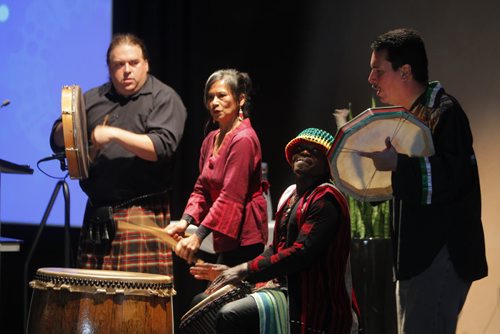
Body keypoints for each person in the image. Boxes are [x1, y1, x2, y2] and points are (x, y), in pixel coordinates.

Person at [361, 28, 487, 333]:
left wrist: (397, 165)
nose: (371, 79)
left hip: (440, 253)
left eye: (378, 70)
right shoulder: (408, 116)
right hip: (417, 256)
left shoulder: (445, 112)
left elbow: (450, 178)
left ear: (405, 71)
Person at [189, 128, 358, 333]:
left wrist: (245, 271)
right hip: (282, 288)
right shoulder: (291, 195)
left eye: (314, 151)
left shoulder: (327, 199)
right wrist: (238, 269)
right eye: (300, 148)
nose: (304, 153)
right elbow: (276, 247)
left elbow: (300, 252)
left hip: (311, 298)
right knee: (201, 301)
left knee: (230, 315)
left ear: (328, 163)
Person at [50, 33, 187, 275]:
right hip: (97, 211)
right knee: (92, 300)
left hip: (142, 212)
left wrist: (113, 134)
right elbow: (57, 140)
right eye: (118, 64)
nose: (126, 70)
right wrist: (67, 128)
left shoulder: (163, 98)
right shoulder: (92, 98)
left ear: (146, 64)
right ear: (109, 67)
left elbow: (161, 147)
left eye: (133, 63)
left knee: (139, 299)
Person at [166, 69, 268, 268]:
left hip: (245, 235)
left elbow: (231, 195)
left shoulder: (244, 139)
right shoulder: (210, 139)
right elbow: (202, 188)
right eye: (210, 97)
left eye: (222, 96)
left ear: (240, 100)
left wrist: (199, 236)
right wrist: (185, 222)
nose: (214, 102)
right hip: (226, 233)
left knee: (215, 297)